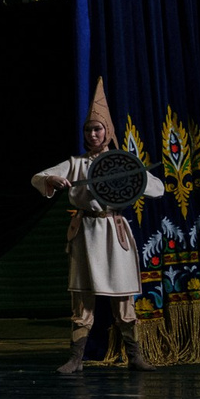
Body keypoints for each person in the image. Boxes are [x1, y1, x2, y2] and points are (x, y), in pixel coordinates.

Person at [31, 78, 164, 373]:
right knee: (82, 298)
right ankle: (76, 358)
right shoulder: (76, 163)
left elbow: (158, 188)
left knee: (123, 297)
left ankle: (135, 356)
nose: (92, 134)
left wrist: (132, 176)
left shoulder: (122, 164)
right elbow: (38, 178)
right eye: (88, 130)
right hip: (86, 234)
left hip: (114, 233)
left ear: (108, 132)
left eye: (97, 129)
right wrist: (53, 179)